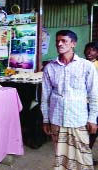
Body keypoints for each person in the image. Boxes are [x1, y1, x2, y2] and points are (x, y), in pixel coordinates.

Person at [41, 30, 98, 170]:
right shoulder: (50, 68)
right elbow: (45, 96)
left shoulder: (86, 66)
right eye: (57, 41)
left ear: (73, 44)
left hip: (78, 119)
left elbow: (94, 94)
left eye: (64, 41)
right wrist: (45, 119)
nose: (59, 44)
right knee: (60, 157)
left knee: (83, 156)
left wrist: (93, 118)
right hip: (56, 119)